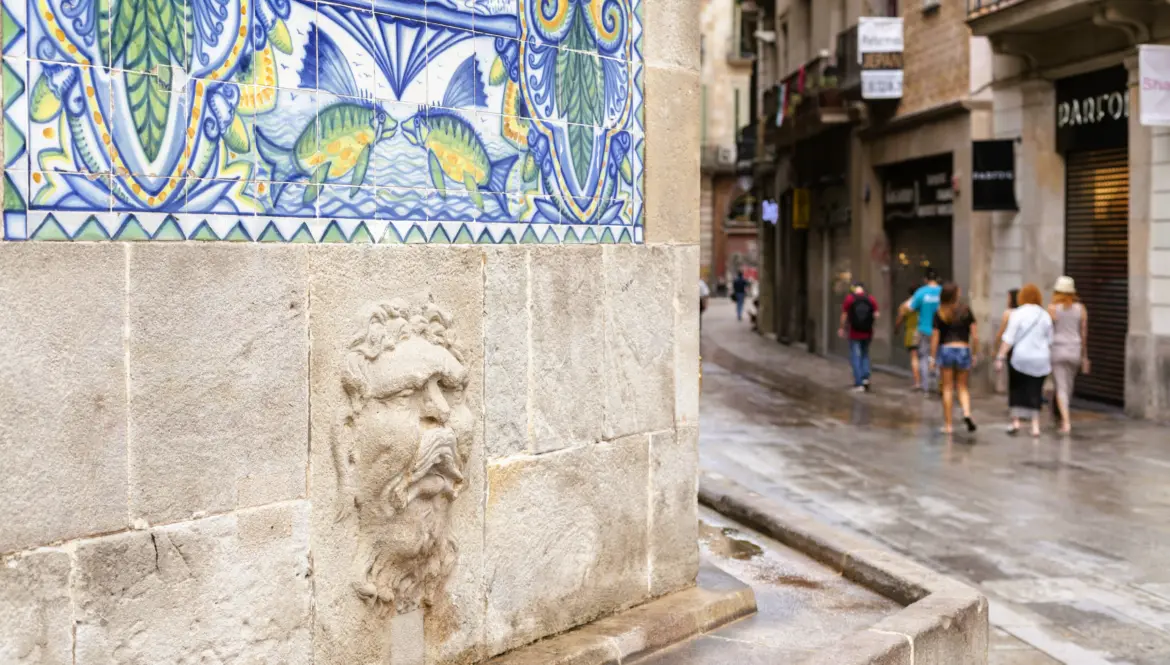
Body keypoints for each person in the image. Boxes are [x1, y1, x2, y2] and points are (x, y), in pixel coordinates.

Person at [996, 284, 1054, 437]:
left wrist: (1000, 356)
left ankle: (1016, 421)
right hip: (1041, 358)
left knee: (1016, 388)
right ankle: (1035, 425)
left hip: (1020, 357)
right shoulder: (1045, 315)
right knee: (1035, 390)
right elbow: (1050, 339)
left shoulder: (1017, 313)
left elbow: (1009, 338)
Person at [928, 282, 978, 434]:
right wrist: (974, 353)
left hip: (946, 349)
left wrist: (932, 358)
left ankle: (949, 425)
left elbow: (935, 338)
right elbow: (975, 336)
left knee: (947, 388)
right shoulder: (966, 310)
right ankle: (967, 413)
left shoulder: (940, 313)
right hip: (963, 348)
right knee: (962, 387)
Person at [1049, 276, 1089, 434]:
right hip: (1075, 349)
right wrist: (1084, 354)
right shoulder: (1081, 308)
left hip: (1057, 349)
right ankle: (1064, 416)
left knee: (1061, 387)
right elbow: (1084, 333)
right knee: (1069, 385)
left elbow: (1048, 329)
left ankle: (1066, 422)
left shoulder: (1052, 308)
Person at [839, 281, 878, 392]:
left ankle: (859, 383)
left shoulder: (849, 299)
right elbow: (876, 314)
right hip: (867, 332)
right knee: (865, 354)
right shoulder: (871, 299)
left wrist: (842, 328)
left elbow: (844, 315)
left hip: (854, 332)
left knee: (856, 356)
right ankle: (866, 378)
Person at [909, 269, 943, 392]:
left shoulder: (921, 292)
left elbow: (911, 308)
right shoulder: (942, 292)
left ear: (925, 280)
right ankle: (940, 385)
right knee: (939, 356)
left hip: (924, 328)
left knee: (923, 357)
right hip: (940, 330)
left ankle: (926, 386)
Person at [994, 289, 1020, 395]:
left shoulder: (1008, 313)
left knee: (1012, 373)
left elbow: (1001, 332)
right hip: (1022, 345)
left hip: (1011, 347)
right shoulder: (1023, 312)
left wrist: (996, 346)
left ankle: (1014, 396)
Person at [894, 286, 921, 390]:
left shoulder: (905, 305)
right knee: (926, 356)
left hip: (911, 332)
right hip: (925, 331)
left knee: (914, 358)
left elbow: (899, 319)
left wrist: (896, 329)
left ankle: (917, 382)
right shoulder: (924, 304)